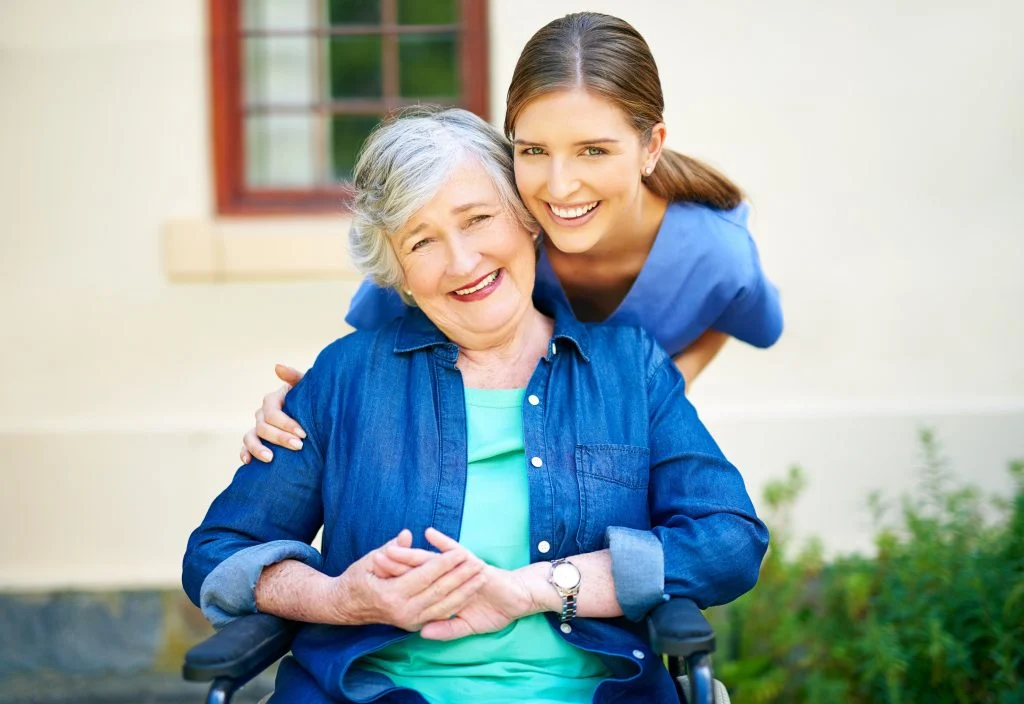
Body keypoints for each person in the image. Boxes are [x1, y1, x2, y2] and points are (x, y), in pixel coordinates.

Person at [183, 107, 768, 703]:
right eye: (422, 241)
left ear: (527, 222)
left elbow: (729, 540)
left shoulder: (628, 371)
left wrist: (545, 586)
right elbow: (217, 552)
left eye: (478, 219)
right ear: (400, 274)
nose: (462, 263)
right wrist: (339, 597)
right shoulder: (346, 377)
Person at [239, 12, 783, 465]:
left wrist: (665, 389)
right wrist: (296, 416)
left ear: (651, 146)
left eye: (594, 150)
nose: (560, 186)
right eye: (534, 151)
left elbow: (743, 321)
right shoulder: (493, 231)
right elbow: (371, 350)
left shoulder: (717, 255)